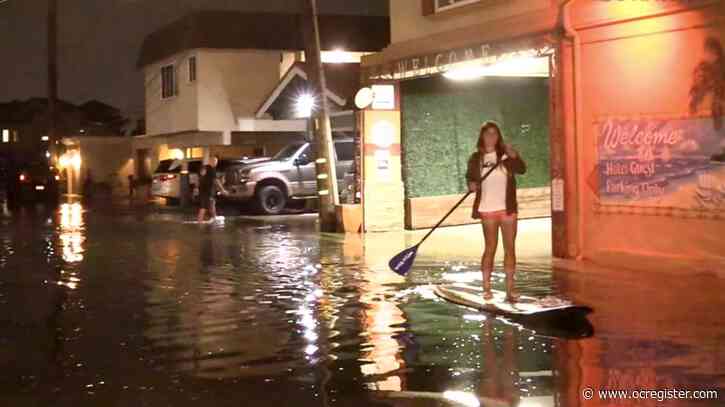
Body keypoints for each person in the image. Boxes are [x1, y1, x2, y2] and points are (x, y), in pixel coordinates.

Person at [466, 121, 526, 303]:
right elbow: (470, 180)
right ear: (482, 136)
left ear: (498, 136)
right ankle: (486, 289)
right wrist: (471, 185)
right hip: (487, 209)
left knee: (510, 249)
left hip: (507, 209)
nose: (491, 137)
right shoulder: (475, 158)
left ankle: (510, 290)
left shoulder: (506, 156)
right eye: (487, 133)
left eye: (494, 133)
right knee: (490, 248)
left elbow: (522, 169)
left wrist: (515, 156)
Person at [197, 156, 228, 223]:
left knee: (212, 203)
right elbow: (216, 180)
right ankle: (199, 222)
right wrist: (222, 190)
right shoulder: (211, 169)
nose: (216, 163)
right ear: (211, 161)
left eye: (216, 162)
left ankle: (214, 217)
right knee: (204, 206)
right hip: (207, 190)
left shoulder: (203, 168)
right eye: (215, 161)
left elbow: (200, 178)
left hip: (204, 190)